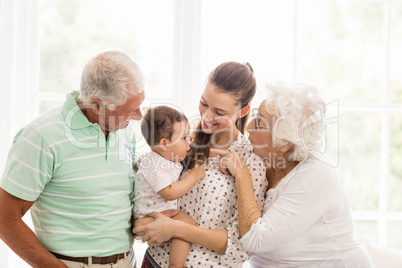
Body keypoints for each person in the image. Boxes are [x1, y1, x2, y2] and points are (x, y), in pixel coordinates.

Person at [0, 51, 145, 268]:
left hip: (127, 261)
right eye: (130, 110)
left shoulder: (125, 132)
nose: (139, 116)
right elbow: (5, 219)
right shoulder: (41, 136)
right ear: (96, 106)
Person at [211, 83, 374, 267]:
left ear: (285, 142)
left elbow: (256, 239)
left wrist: (241, 175)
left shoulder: (318, 174)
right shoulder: (262, 157)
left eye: (260, 122)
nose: (248, 126)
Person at [134, 62, 268, 267]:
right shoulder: (184, 141)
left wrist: (175, 229)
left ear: (243, 111)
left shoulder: (250, 162)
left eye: (219, 112)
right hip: (153, 261)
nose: (207, 116)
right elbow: (148, 188)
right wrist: (143, 222)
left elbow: (243, 246)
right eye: (204, 103)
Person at [133, 105, 206, 268]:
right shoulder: (154, 162)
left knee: (184, 225)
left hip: (158, 214)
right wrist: (193, 177)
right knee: (186, 224)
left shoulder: (164, 160)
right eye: (184, 138)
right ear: (164, 143)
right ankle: (176, 265)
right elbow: (169, 192)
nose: (189, 142)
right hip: (150, 216)